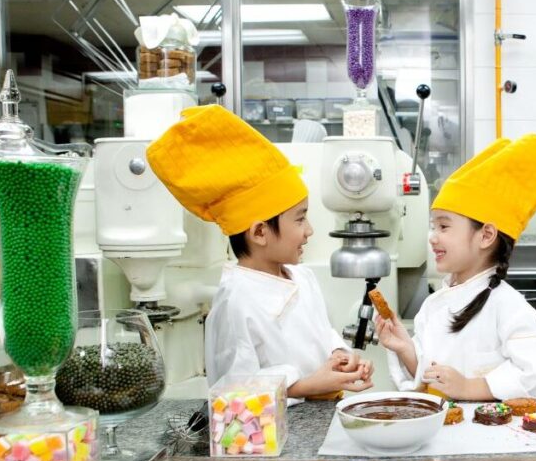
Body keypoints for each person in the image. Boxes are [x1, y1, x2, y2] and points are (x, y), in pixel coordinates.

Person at [147, 104, 373, 400]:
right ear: (259, 233)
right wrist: (307, 386)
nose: (309, 230)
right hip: (277, 433)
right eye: (300, 218)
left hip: (323, 414)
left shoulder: (302, 277)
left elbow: (321, 333)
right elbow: (234, 392)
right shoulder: (235, 302)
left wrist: (341, 356)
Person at [375, 134, 536, 401]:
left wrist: (471, 388)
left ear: (485, 236)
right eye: (433, 226)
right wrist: (405, 348)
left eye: (444, 226)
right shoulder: (433, 305)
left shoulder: (508, 306)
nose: (433, 236)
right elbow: (432, 378)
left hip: (492, 435)